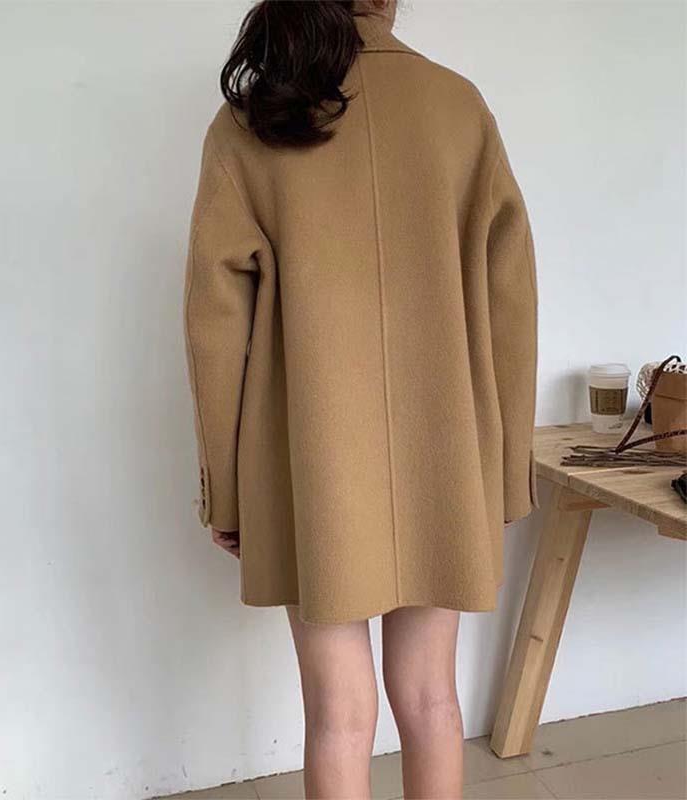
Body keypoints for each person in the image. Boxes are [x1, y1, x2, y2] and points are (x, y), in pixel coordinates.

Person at [182, 1, 538, 797]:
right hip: (443, 454)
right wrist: (505, 472)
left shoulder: (256, 118)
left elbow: (214, 329)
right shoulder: (458, 107)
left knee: (338, 716)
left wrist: (228, 492)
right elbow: (511, 305)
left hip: (312, 461)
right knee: (432, 699)